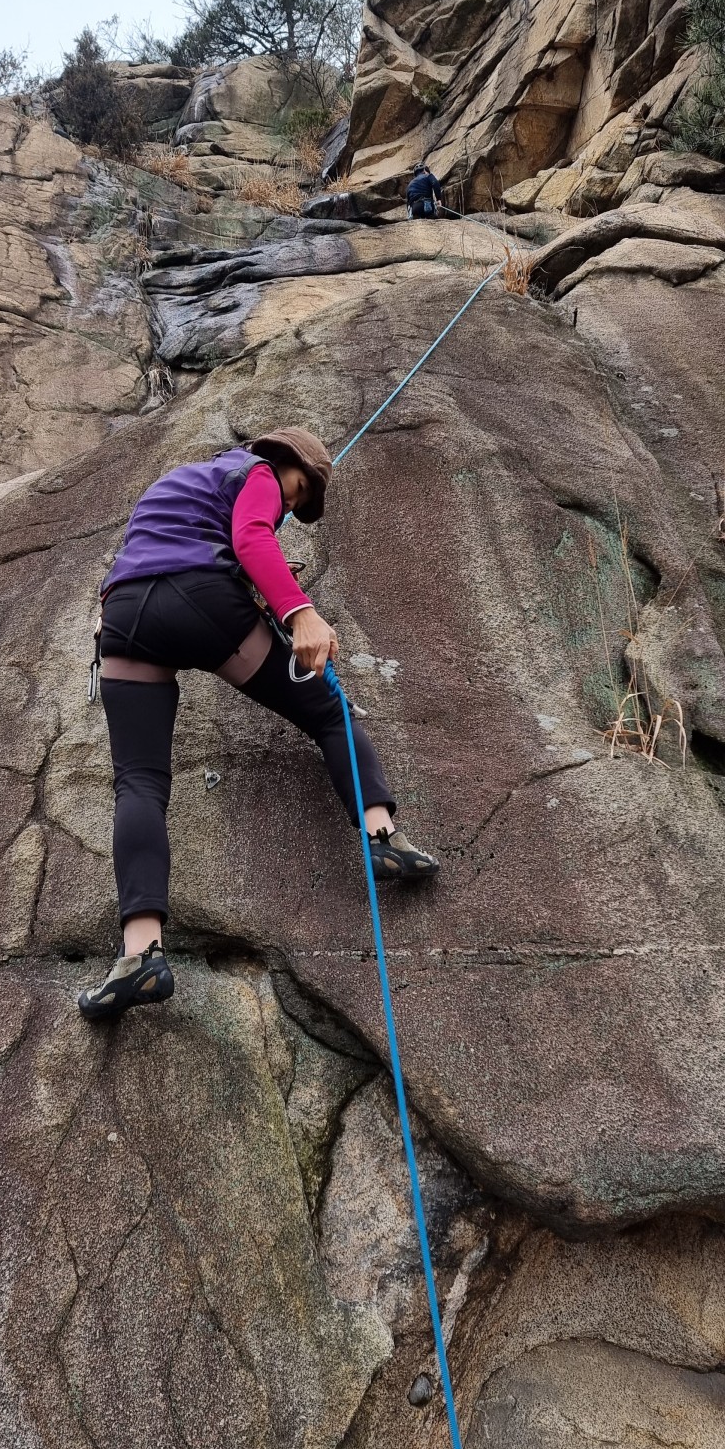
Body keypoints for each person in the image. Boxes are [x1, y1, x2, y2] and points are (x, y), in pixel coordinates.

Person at [78, 427, 439, 1020]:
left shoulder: (173, 486)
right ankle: (381, 839)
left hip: (123, 617)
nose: (290, 507)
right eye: (297, 494)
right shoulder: (257, 473)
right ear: (284, 461)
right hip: (199, 602)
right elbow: (249, 535)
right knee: (327, 711)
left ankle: (139, 954)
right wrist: (301, 613)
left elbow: (170, 548)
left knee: (138, 782)